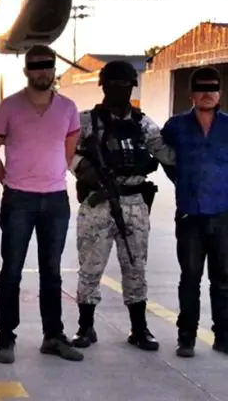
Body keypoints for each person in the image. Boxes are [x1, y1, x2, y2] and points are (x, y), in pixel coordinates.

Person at [0, 44, 83, 363]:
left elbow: (68, 152)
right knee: (11, 270)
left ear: (54, 70)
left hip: (56, 201)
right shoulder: (8, 108)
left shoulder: (68, 108)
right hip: (19, 201)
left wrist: (50, 177)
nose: (42, 71)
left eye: (48, 65)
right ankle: (5, 338)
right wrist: (12, 182)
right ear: (26, 70)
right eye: (36, 66)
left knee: (52, 272)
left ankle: (53, 336)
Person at [69, 60, 174, 352]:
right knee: (90, 267)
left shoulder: (144, 124)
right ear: (103, 86)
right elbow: (64, 152)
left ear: (132, 87)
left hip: (134, 203)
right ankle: (85, 327)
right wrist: (82, 167)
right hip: (98, 204)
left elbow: (166, 154)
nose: (120, 90)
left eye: (125, 85)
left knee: (135, 267)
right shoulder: (86, 122)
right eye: (114, 85)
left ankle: (139, 329)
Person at [161, 66, 228, 358]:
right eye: (201, 88)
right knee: (189, 278)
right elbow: (164, 156)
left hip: (223, 216)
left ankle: (224, 336)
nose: (207, 93)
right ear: (191, 93)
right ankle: (186, 337)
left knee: (223, 279)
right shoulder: (175, 126)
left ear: (220, 92)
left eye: (213, 88)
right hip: (189, 215)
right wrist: (183, 181)